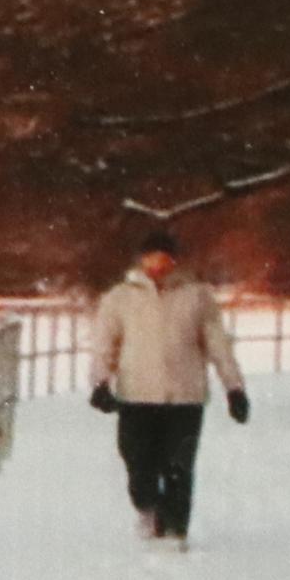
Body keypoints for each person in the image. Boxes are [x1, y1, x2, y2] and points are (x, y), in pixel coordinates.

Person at [88, 227, 249, 543]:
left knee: (179, 465)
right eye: (152, 259)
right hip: (136, 396)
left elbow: (218, 345)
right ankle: (149, 506)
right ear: (142, 261)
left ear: (174, 261)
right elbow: (104, 345)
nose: (158, 267)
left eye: (164, 260)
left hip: (184, 397)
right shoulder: (120, 298)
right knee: (138, 463)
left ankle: (175, 529)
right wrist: (100, 383)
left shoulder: (197, 296)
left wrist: (235, 388)